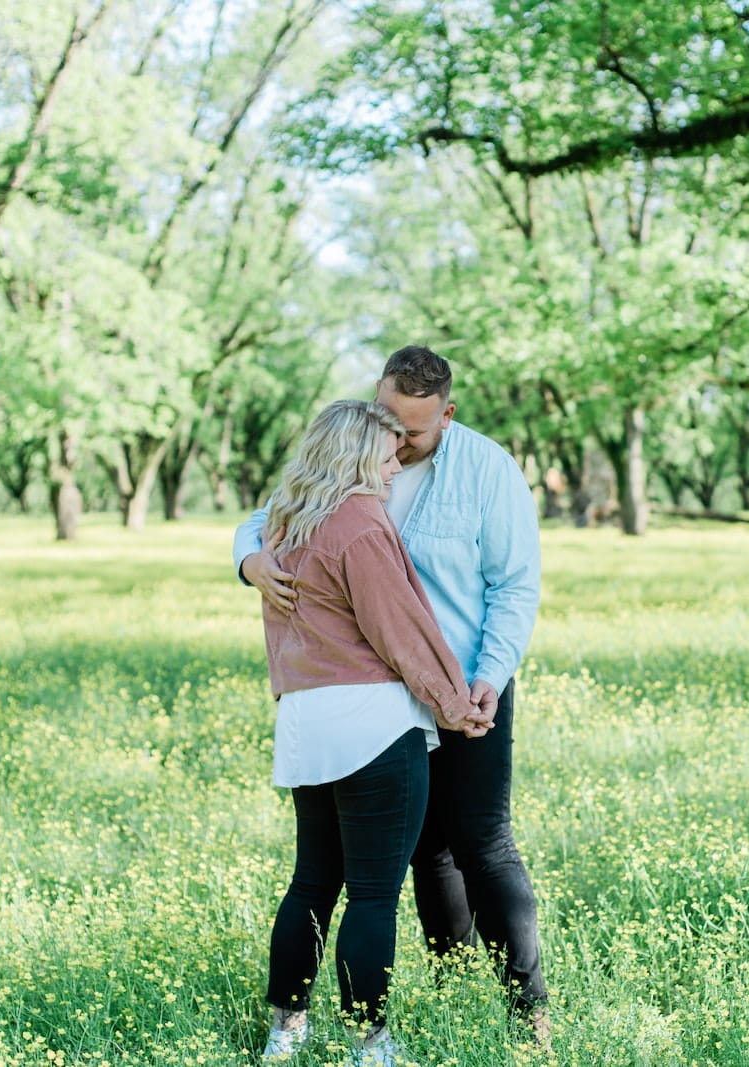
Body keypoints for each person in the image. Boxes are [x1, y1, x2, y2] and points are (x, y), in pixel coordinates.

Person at [236, 347, 550, 1046]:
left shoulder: (486, 471)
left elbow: (513, 586)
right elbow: (269, 524)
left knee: (481, 845)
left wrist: (480, 687)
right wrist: (249, 559)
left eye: (411, 432)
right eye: (388, 427)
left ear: (447, 413)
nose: (397, 446)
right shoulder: (351, 478)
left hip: (464, 682)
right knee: (411, 862)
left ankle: (528, 1010)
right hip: (389, 706)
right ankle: (425, 996)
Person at [253, 398, 490, 1067]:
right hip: (374, 727)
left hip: (304, 723)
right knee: (374, 894)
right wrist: (454, 704)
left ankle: (284, 1034)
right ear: (358, 454)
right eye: (388, 453)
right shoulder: (360, 521)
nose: (395, 465)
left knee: (310, 884)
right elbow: (400, 630)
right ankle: (371, 1044)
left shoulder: (286, 522)